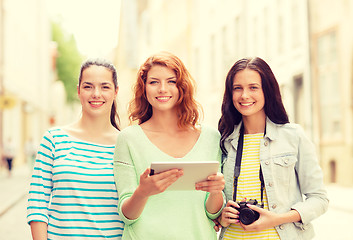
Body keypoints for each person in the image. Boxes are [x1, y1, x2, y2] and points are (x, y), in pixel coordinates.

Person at [113, 51, 225, 240]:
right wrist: (142, 192)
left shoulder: (211, 138)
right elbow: (127, 216)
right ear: (144, 88)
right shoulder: (128, 139)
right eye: (154, 82)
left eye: (171, 81)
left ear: (182, 87)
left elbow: (213, 214)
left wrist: (216, 192)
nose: (162, 89)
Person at [216, 57, 329, 240]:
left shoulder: (293, 136)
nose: (244, 95)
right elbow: (212, 202)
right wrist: (221, 215)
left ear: (267, 91)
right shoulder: (222, 141)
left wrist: (277, 219)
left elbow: (319, 199)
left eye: (253, 87)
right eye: (238, 88)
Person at [27, 59, 124, 240]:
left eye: (105, 87)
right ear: (78, 90)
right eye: (88, 87)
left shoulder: (127, 144)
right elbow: (37, 205)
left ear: (115, 92)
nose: (96, 94)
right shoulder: (54, 139)